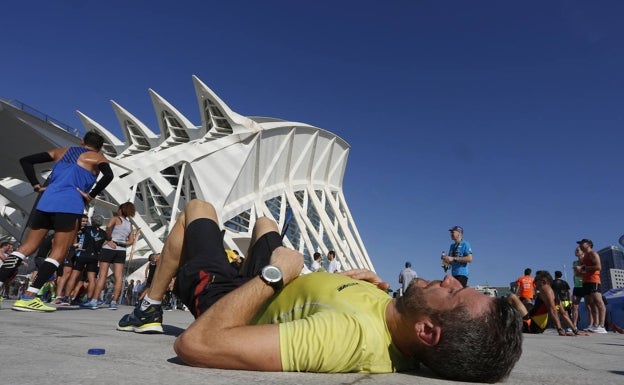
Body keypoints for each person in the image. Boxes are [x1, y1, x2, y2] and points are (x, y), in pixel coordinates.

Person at [117, 199, 522, 383]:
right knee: (263, 222)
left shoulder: (348, 337)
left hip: (229, 300)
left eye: (452, 293)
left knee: (197, 211)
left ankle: (150, 307)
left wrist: (275, 276)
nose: (449, 279)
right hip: (275, 282)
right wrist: (353, 282)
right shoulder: (393, 313)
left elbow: (198, 344)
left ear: (428, 331)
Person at [0, 131, 113, 312]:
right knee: (58, 253)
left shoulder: (61, 151)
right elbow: (108, 175)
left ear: (82, 141)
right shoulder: (97, 158)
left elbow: (26, 161)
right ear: (100, 147)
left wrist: (36, 185)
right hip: (70, 204)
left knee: (25, 249)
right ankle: (28, 297)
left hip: (46, 201)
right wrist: (91, 195)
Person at [87, 202, 137, 310]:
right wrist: (121, 243)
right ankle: (114, 302)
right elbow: (131, 241)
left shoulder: (115, 219)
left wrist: (109, 240)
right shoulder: (129, 225)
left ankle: (94, 300)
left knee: (103, 275)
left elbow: (108, 227)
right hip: (121, 251)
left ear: (120, 210)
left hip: (109, 249)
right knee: (119, 277)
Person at [507, 270, 578, 336]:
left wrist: (559, 329)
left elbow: (552, 310)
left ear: (543, 281)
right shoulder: (554, 294)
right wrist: (575, 330)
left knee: (512, 296)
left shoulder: (545, 289)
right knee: (527, 300)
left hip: (531, 325)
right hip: (539, 327)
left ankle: (502, 321)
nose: (534, 283)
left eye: (536, 281)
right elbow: (564, 314)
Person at [64, 215, 107, 307]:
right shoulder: (104, 233)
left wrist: (76, 245)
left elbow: (75, 233)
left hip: (82, 254)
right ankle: (89, 299)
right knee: (92, 279)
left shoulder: (86, 228)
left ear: (92, 220)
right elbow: (106, 243)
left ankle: (66, 297)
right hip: (94, 257)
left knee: (74, 276)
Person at [574, 239, 607, 333]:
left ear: (588, 244)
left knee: (598, 302)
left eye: (582, 243)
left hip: (594, 280)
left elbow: (598, 267)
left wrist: (583, 268)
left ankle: (602, 325)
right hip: (586, 281)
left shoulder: (593, 254)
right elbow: (584, 271)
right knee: (590, 304)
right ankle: (595, 325)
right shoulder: (584, 257)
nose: (580, 245)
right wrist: (578, 271)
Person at [571, 247, 587, 327]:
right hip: (577, 286)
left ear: (583, 252)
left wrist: (579, 270)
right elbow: (576, 274)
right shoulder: (574, 263)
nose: (576, 251)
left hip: (586, 285)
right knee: (574, 306)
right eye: (575, 250)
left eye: (578, 250)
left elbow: (584, 273)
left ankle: (592, 325)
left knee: (589, 306)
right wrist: (579, 270)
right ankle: (574, 325)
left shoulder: (586, 261)